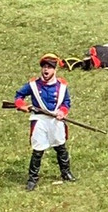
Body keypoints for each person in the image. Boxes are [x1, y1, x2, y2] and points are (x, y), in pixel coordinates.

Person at [14, 54, 76, 191]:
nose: (46, 70)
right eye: (44, 67)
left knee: (61, 147)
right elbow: (19, 96)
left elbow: (66, 103)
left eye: (49, 67)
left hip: (55, 120)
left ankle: (66, 173)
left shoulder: (62, 86)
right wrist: (22, 106)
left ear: (55, 70)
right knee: (38, 151)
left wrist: (62, 112)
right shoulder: (33, 85)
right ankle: (32, 179)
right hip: (40, 120)